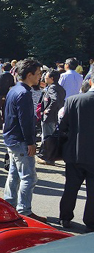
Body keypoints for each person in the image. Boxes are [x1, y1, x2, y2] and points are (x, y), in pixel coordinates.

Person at [2, 58, 46, 221]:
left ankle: (9, 206)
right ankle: (24, 211)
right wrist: (30, 142)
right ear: (29, 75)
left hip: (12, 138)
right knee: (28, 177)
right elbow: (25, 121)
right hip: (20, 139)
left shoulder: (14, 89)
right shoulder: (24, 93)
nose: (40, 77)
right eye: (38, 74)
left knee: (14, 175)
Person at [58, 76, 94, 229]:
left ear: (90, 82)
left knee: (70, 187)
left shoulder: (73, 100)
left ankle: (65, 217)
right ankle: (91, 222)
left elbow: (63, 125)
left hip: (74, 151)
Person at [39, 69, 66, 150]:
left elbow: (55, 99)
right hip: (56, 115)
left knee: (47, 137)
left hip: (49, 117)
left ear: (52, 78)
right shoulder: (60, 88)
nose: (45, 78)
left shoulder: (52, 88)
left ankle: (47, 154)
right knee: (52, 136)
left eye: (46, 77)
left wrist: (48, 110)